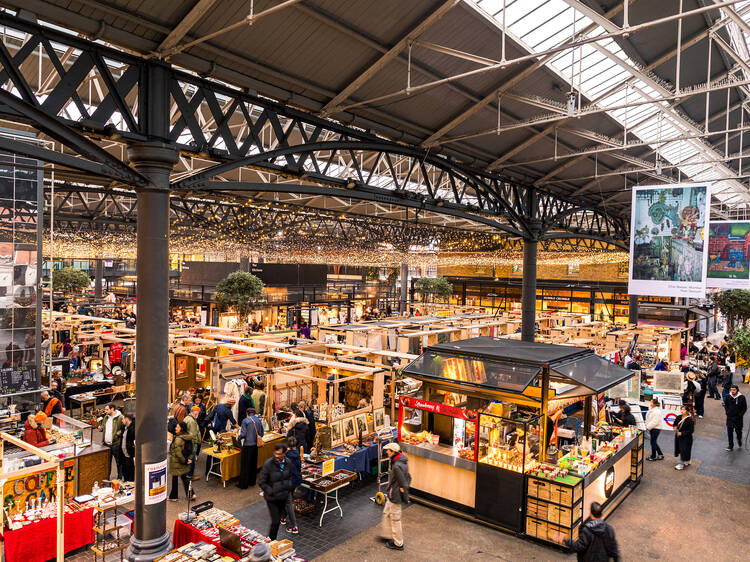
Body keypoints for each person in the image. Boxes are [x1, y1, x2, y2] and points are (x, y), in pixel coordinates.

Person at [258, 444, 293, 540]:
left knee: (278, 521)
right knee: (276, 520)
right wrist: (271, 491)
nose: (276, 456)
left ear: (284, 454)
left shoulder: (288, 463)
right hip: (272, 498)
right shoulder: (268, 464)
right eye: (275, 453)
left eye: (279, 454)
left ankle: (272, 540)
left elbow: (290, 476)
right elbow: (261, 482)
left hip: (283, 497)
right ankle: (270, 540)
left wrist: (288, 487)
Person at [382, 442, 409, 551]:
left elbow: (403, 483)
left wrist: (405, 496)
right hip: (392, 494)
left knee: (395, 520)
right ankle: (387, 535)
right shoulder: (402, 460)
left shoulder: (397, 466)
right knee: (386, 513)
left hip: (395, 496)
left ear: (393, 452)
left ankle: (398, 543)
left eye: (388, 450)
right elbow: (408, 477)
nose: (386, 452)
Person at [237, 407, 264, 489]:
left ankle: (243, 485)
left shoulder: (245, 421)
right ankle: (252, 482)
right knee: (253, 464)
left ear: (247, 413)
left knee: (245, 465)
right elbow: (261, 433)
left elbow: (243, 434)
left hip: (247, 445)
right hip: (255, 445)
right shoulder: (258, 420)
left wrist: (238, 437)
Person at [168, 421, 195, 501]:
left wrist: (184, 461)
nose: (175, 428)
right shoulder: (187, 436)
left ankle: (174, 496)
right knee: (183, 478)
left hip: (177, 462)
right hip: (182, 461)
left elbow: (178, 453)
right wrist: (189, 459)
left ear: (181, 429)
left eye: (177, 427)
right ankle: (191, 494)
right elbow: (191, 449)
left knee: (177, 478)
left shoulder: (178, 439)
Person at [280, 436, 301, 535]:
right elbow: (299, 467)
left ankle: (294, 526)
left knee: (288, 503)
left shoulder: (285, 456)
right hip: (295, 480)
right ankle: (283, 517)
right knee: (287, 499)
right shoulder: (297, 454)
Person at [99, 403, 123, 479]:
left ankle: (119, 478)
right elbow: (103, 426)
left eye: (107, 409)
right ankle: (107, 478)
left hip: (116, 444)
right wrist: (101, 428)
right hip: (106, 445)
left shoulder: (120, 417)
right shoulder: (106, 417)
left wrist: (117, 434)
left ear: (112, 409)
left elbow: (123, 429)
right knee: (107, 463)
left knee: (119, 462)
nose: (105, 411)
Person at [724, 384, 747, 451]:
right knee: (729, 432)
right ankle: (731, 446)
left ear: (737, 390)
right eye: (731, 390)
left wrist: (740, 415)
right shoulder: (728, 396)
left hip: (738, 419)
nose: (732, 391)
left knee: (738, 432)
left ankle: (739, 440)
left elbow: (744, 408)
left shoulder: (742, 397)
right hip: (730, 418)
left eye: (734, 390)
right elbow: (726, 405)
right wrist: (727, 412)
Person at [674, 405, 694, 470]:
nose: (682, 411)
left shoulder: (690, 420)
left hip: (686, 438)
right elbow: (675, 423)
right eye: (681, 409)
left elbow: (691, 430)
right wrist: (674, 427)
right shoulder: (679, 417)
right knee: (682, 449)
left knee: (684, 450)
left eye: (684, 410)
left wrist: (682, 433)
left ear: (687, 411)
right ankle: (687, 460)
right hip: (678, 437)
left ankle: (681, 464)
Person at [184, 406, 202, 480]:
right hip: (191, 444)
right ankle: (189, 476)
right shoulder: (191, 421)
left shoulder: (187, 418)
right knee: (191, 460)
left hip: (187, 442)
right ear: (195, 413)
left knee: (188, 459)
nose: (198, 415)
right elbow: (193, 435)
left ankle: (186, 473)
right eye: (198, 413)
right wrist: (195, 444)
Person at [120, 413, 135, 482]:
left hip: (130, 456)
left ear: (126, 419)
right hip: (124, 455)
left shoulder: (133, 429)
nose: (122, 420)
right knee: (125, 473)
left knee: (131, 475)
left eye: (123, 419)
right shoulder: (124, 427)